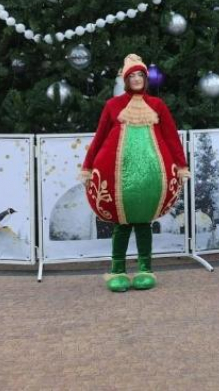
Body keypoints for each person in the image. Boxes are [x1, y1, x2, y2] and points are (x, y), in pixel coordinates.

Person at [80, 54, 189, 292]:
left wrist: (181, 166)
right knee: (122, 225)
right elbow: (99, 138)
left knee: (142, 224)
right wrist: (87, 167)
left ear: (145, 79)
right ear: (126, 79)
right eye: (132, 76)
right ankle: (117, 270)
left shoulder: (157, 106)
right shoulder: (113, 106)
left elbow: (171, 137)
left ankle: (145, 269)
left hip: (151, 182)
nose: (137, 79)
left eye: (141, 75)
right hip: (118, 180)